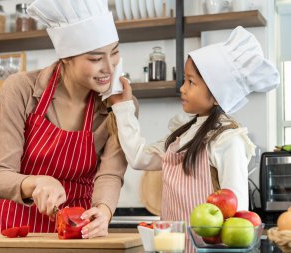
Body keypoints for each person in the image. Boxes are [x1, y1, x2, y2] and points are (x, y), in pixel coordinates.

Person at [0, 0, 134, 239]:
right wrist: (35, 183)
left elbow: (111, 173)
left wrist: (103, 211)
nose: (109, 67)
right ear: (66, 57)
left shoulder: (120, 104)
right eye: (96, 59)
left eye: (114, 52)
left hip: (78, 228)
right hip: (15, 230)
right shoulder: (21, 89)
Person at [110, 26, 279, 228]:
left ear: (217, 95)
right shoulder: (183, 135)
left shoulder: (228, 140)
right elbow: (138, 157)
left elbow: (237, 215)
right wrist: (123, 107)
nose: (182, 88)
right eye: (184, 80)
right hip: (173, 246)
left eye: (191, 82)